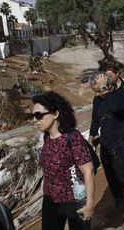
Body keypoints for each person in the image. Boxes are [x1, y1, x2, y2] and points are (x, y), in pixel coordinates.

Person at [32, 91, 94, 230]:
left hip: (75, 199)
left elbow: (88, 171)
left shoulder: (73, 137)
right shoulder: (46, 137)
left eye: (39, 115)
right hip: (50, 200)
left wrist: (89, 205)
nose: (35, 120)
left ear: (55, 114)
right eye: (33, 116)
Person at [88, 73, 124, 210]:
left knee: (122, 173)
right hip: (107, 142)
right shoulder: (98, 99)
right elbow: (95, 120)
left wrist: (104, 90)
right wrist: (90, 140)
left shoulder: (122, 94)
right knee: (110, 175)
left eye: (98, 91)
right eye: (94, 91)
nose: (97, 94)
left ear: (108, 86)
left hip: (123, 141)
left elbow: (115, 107)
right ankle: (119, 198)